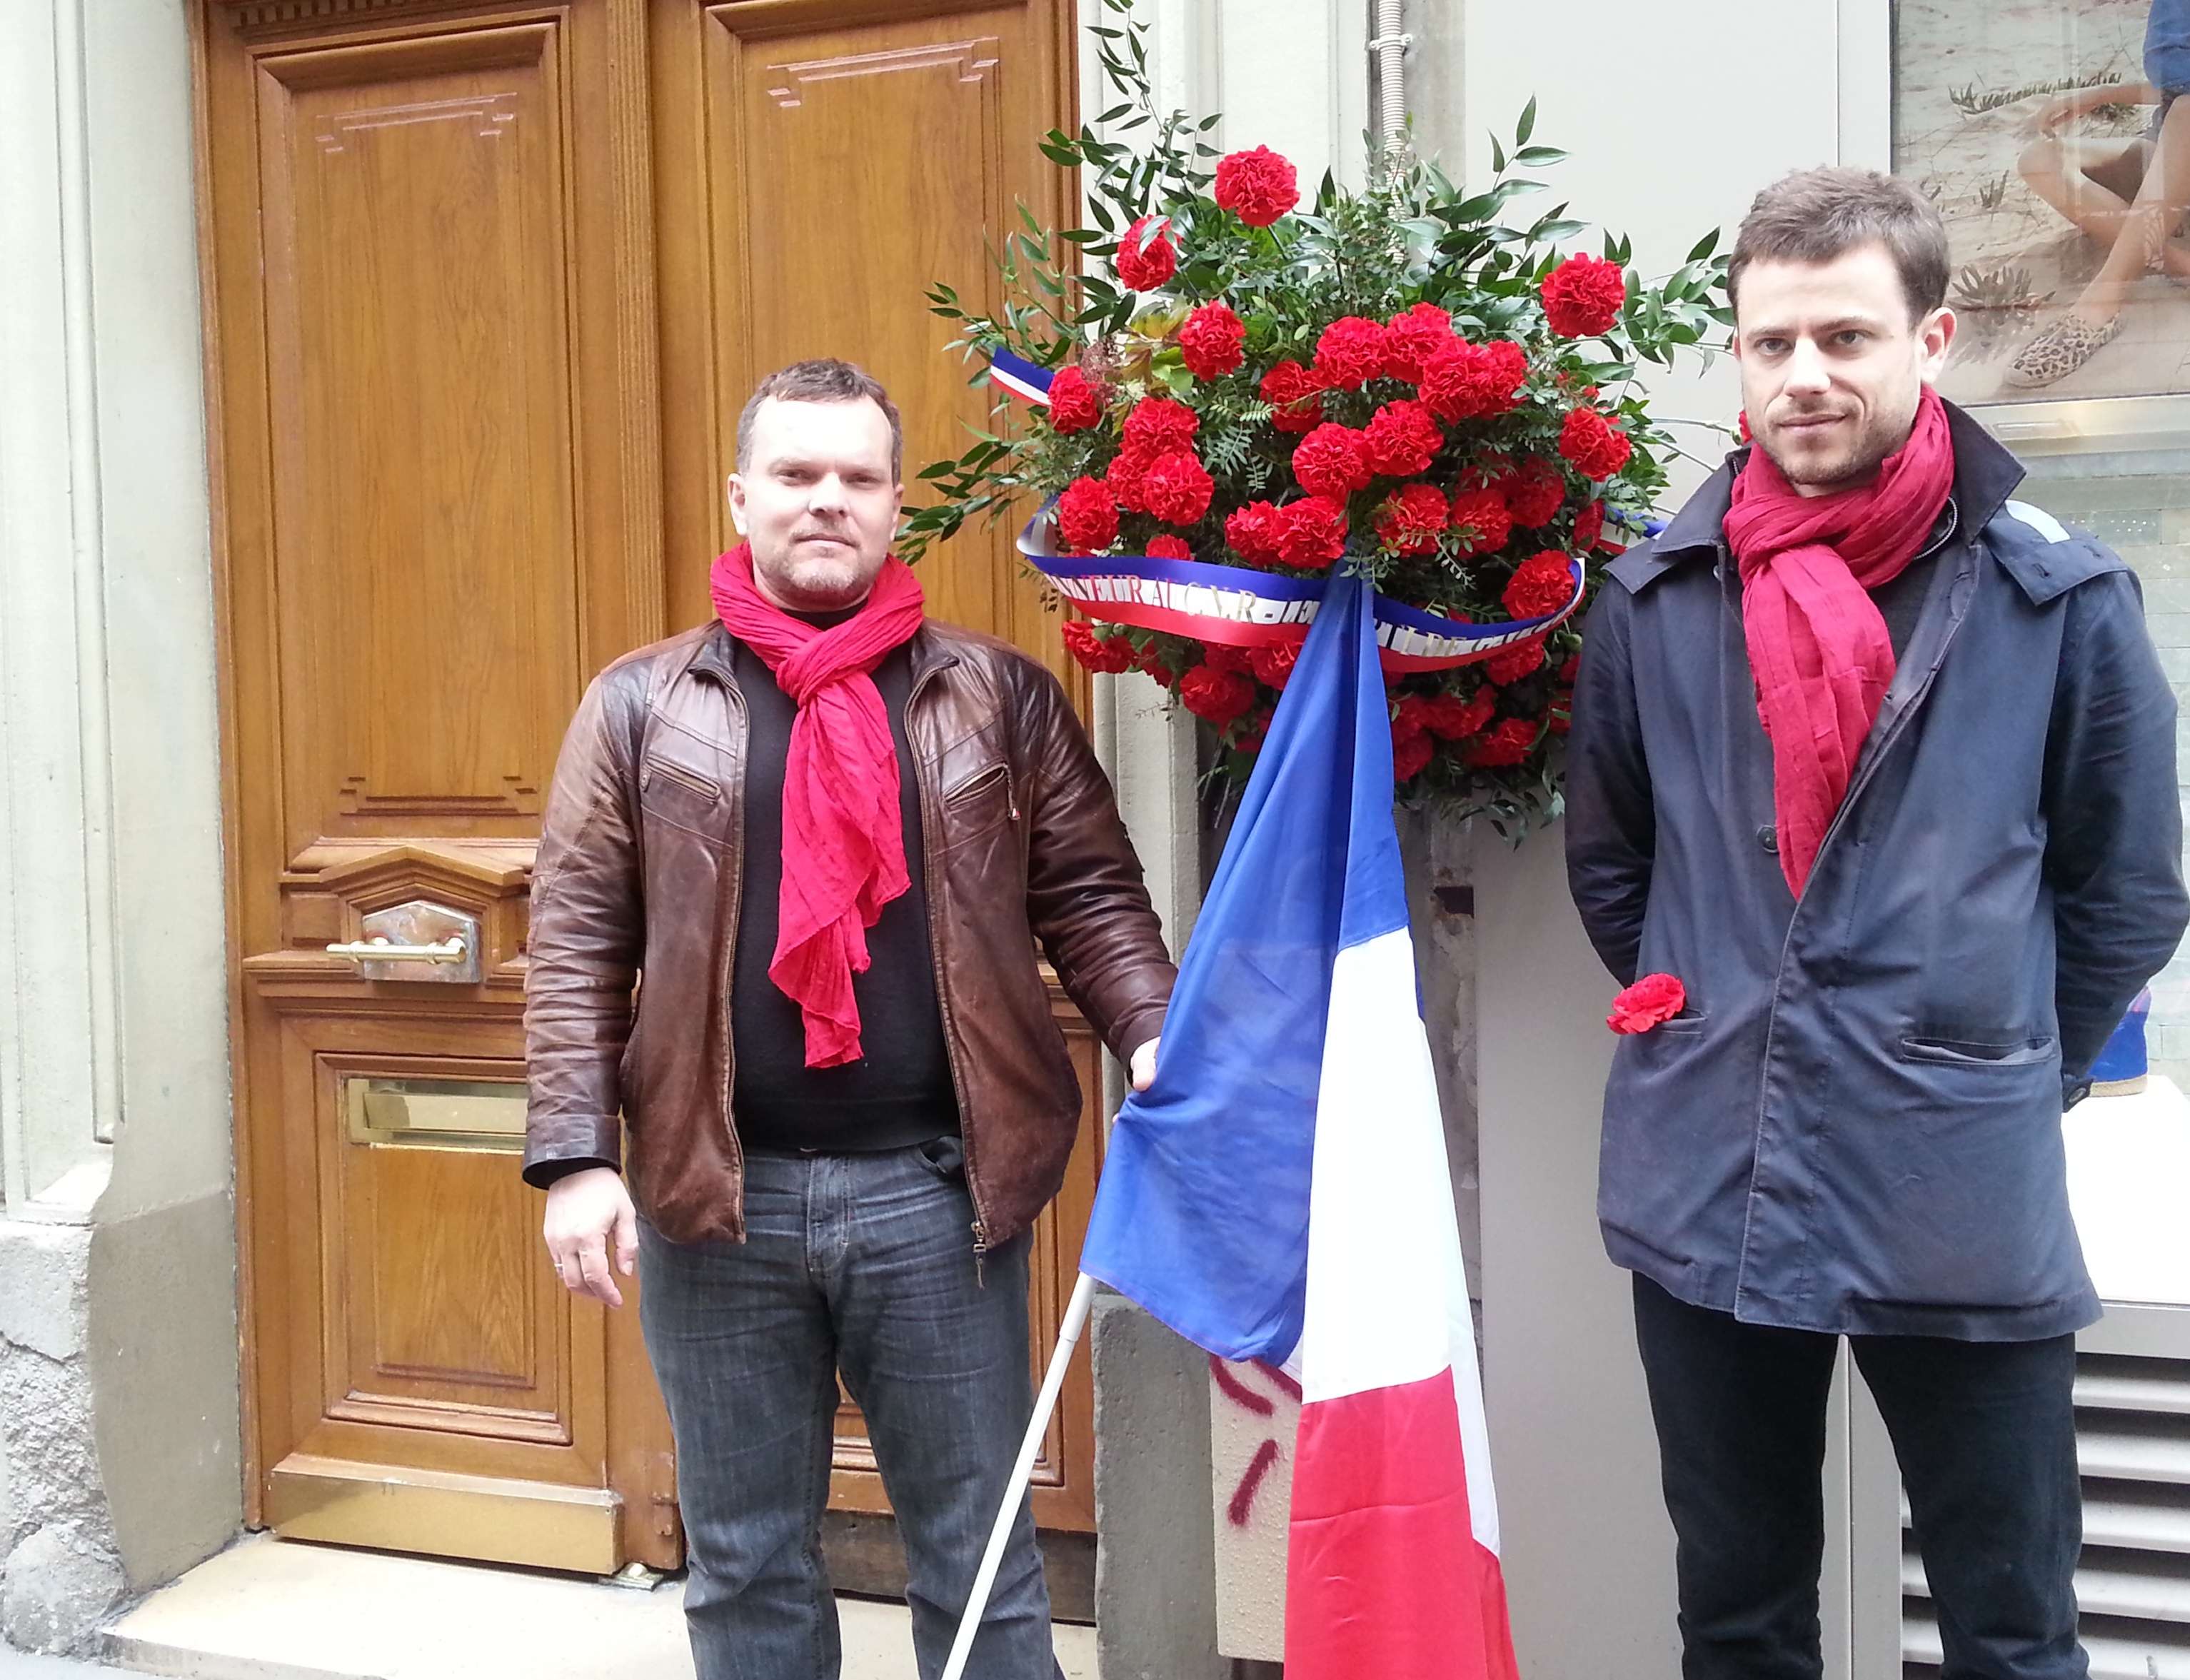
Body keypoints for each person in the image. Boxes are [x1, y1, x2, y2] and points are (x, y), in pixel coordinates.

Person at [1566, 168, 2189, 1679]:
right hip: (1713, 1166)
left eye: (1845, 337)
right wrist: (1722, 1004)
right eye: (1771, 343)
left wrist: (1988, 1048)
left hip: (1954, 1175)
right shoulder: (1655, 600)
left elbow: (2128, 889)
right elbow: (1617, 868)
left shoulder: (2057, 597)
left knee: (2011, 1621)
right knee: (1739, 1613)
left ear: (1935, 339)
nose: (1805, 377)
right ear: (1737, 355)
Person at [522, 359, 1174, 1680]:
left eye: (858, 477)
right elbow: (578, 934)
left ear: (893, 505)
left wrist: (1152, 1033)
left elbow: (1092, 894)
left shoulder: (996, 696)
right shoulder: (642, 704)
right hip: (718, 1200)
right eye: (797, 474)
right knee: (748, 1559)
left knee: (979, 1558)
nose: (828, 500)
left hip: (937, 1196)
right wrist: (578, 1154)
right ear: (742, 495)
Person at [2008, 0, 2190, 386]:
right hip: (2175, 147)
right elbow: (2176, 88)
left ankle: (2100, 304)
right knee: (2041, 159)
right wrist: (2098, 94)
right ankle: (2180, 266)